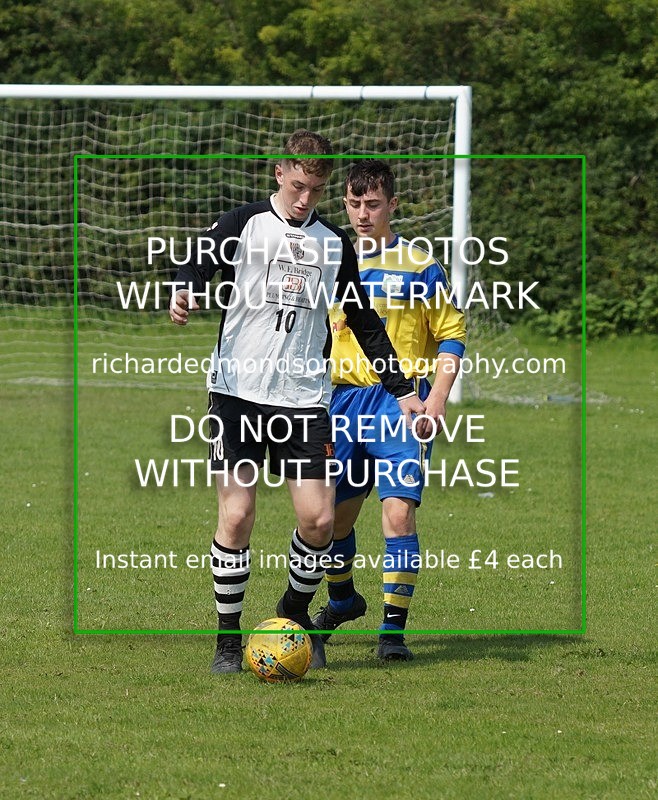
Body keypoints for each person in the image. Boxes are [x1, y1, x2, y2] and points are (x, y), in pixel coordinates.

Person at [169, 133, 425, 674]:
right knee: (236, 517)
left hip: (304, 401)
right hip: (236, 394)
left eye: (317, 188)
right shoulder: (243, 224)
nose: (306, 198)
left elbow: (363, 321)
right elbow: (197, 261)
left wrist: (402, 389)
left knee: (318, 521)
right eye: (298, 184)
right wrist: (185, 289)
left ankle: (290, 611)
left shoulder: (334, 245)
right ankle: (228, 642)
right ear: (280, 172)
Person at [312, 160, 466, 660]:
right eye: (354, 204)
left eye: (372, 203)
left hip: (403, 403)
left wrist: (436, 400)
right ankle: (341, 600)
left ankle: (392, 634)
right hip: (340, 401)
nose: (362, 213)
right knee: (331, 521)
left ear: (393, 204)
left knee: (398, 516)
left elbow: (451, 335)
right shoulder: (330, 263)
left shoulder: (420, 266)